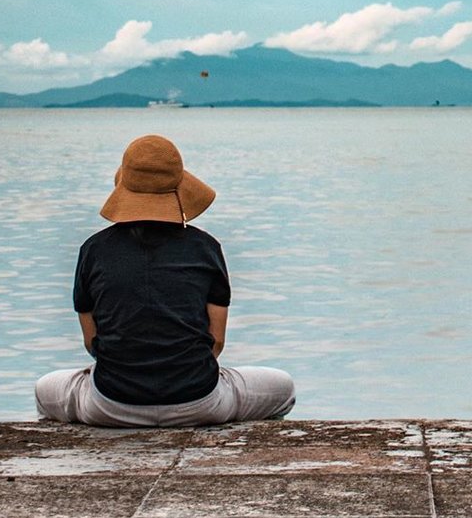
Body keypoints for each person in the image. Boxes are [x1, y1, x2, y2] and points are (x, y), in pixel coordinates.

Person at [35, 134, 296, 426]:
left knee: (44, 388)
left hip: (111, 404)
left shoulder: (93, 250)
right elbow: (216, 342)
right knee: (283, 387)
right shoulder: (206, 248)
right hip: (200, 401)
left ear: (123, 187)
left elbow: (92, 342)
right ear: (179, 188)